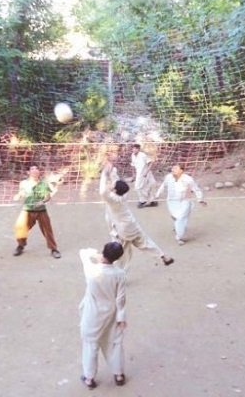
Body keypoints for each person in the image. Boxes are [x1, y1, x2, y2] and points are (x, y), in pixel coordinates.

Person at [99, 164, 174, 269]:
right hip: (133, 225)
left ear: (115, 190)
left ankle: (119, 273)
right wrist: (111, 171)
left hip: (123, 230)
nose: (111, 184)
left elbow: (102, 191)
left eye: (113, 185)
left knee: (123, 253)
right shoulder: (123, 194)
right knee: (146, 242)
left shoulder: (112, 199)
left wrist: (104, 174)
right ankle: (163, 256)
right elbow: (116, 181)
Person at [79, 242, 127, 389]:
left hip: (92, 313)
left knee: (91, 345)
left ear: (103, 253)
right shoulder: (120, 274)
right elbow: (121, 298)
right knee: (113, 344)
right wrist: (121, 318)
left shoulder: (92, 271)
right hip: (111, 313)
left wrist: (95, 254)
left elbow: (83, 252)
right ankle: (118, 375)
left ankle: (89, 378)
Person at [12, 164, 61, 259]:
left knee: (47, 230)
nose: (35, 170)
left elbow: (48, 196)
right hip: (27, 210)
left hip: (41, 210)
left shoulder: (44, 183)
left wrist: (42, 202)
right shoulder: (23, 183)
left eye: (36, 169)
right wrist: (18, 196)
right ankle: (20, 246)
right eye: (32, 169)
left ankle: (53, 249)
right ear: (28, 172)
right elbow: (21, 192)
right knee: (20, 227)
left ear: (39, 172)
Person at [155, 164, 206, 245]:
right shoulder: (168, 177)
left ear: (181, 171)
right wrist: (157, 195)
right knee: (176, 217)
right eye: (172, 168)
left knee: (181, 218)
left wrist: (200, 199)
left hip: (184, 201)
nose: (173, 169)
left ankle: (179, 237)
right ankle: (177, 224)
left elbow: (196, 190)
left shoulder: (188, 179)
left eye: (175, 168)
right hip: (171, 201)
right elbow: (163, 186)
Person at [130, 144, 157, 208]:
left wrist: (146, 173)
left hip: (144, 174)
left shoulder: (143, 155)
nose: (134, 150)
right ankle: (151, 201)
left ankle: (142, 201)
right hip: (138, 174)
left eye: (136, 148)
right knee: (144, 187)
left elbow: (150, 163)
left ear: (138, 149)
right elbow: (133, 165)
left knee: (137, 187)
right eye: (133, 148)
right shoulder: (132, 155)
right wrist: (133, 175)